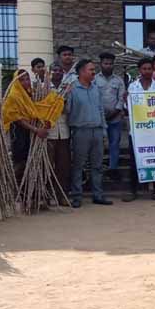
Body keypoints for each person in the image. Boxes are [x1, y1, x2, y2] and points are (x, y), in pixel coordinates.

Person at [2, 68, 64, 185]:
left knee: (30, 161)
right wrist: (36, 130)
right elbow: (18, 119)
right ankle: (14, 188)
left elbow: (39, 109)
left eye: (27, 79)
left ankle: (27, 189)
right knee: (20, 161)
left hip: (31, 133)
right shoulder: (13, 96)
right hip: (19, 134)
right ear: (16, 82)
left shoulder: (31, 94)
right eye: (22, 80)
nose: (26, 82)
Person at [66, 58, 112, 208]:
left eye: (93, 70)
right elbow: (67, 110)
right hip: (80, 131)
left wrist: (104, 131)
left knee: (97, 165)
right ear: (81, 72)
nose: (94, 72)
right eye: (91, 70)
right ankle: (77, 196)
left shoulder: (95, 88)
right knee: (78, 165)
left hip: (97, 130)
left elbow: (101, 110)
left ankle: (98, 195)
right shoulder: (72, 89)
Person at [123, 58, 155, 202]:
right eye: (144, 69)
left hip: (154, 131)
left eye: (149, 69)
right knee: (134, 161)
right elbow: (127, 108)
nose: (147, 71)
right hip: (137, 131)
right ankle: (132, 190)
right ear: (139, 70)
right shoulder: (133, 87)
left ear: (153, 70)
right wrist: (125, 100)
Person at [95, 51, 126, 181]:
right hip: (98, 118)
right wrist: (101, 115)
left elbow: (121, 98)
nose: (108, 66)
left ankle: (113, 169)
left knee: (114, 143)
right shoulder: (94, 80)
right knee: (98, 145)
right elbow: (93, 97)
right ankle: (98, 168)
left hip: (115, 118)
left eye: (110, 64)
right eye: (105, 63)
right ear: (100, 64)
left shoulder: (119, 80)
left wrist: (115, 112)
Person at [46, 63, 72, 204]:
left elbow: (70, 108)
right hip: (49, 133)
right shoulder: (44, 88)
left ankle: (62, 195)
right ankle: (49, 195)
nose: (57, 72)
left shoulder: (67, 88)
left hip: (64, 132)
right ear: (50, 72)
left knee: (63, 166)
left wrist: (64, 103)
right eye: (54, 70)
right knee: (49, 166)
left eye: (60, 70)